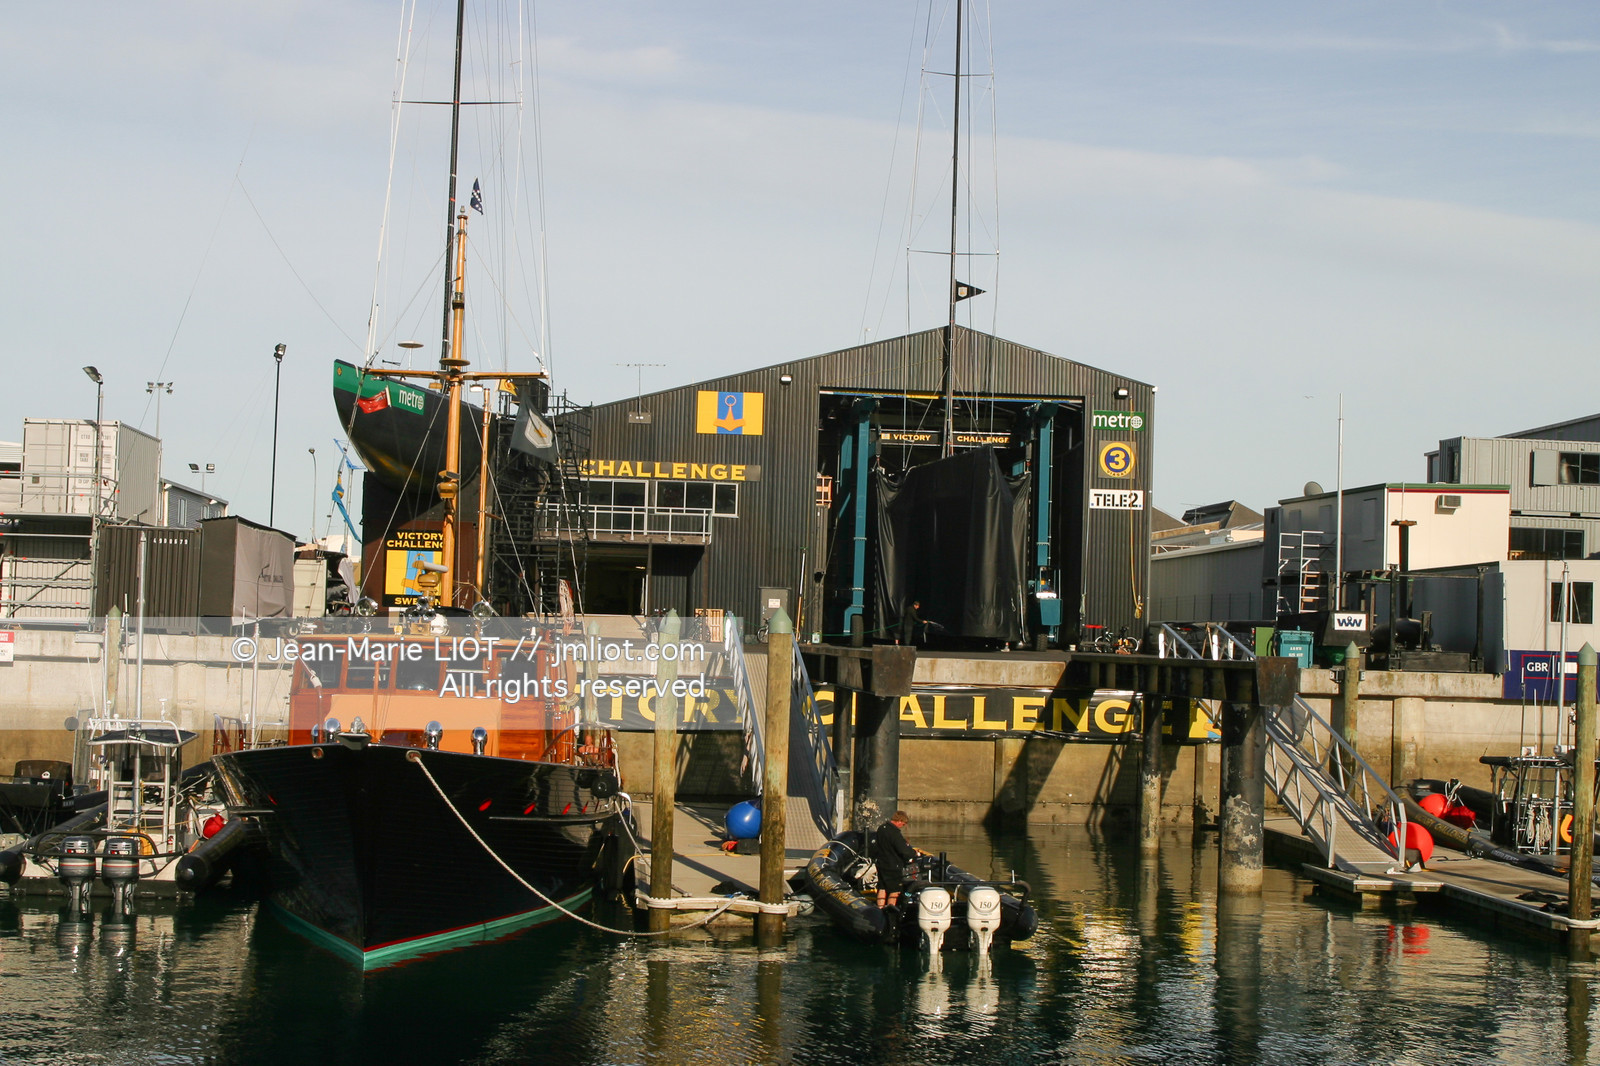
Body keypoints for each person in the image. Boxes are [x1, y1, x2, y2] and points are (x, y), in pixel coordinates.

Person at [871, 810, 922, 908]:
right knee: (895, 891)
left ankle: (880, 908)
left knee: (882, 888)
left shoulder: (882, 829)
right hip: (893, 866)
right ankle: (891, 910)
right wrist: (914, 853)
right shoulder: (895, 834)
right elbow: (904, 851)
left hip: (881, 863)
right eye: (903, 823)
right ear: (899, 821)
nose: (903, 826)